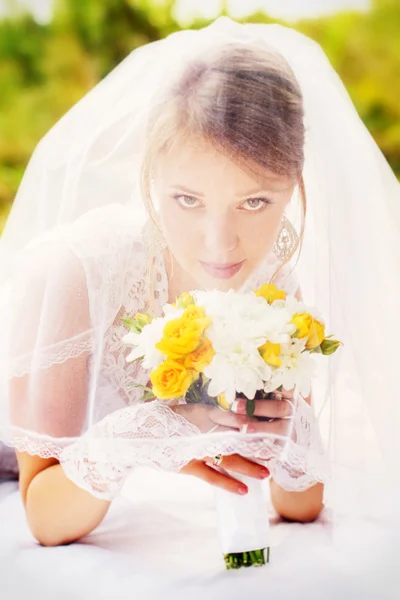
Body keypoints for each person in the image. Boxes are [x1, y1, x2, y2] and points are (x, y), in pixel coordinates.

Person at [0, 17, 399, 555]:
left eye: (255, 202)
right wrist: (142, 434)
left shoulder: (272, 277)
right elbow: (45, 520)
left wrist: (284, 430)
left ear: (294, 187)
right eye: (187, 200)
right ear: (150, 172)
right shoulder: (72, 273)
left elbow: (300, 506)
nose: (220, 245)